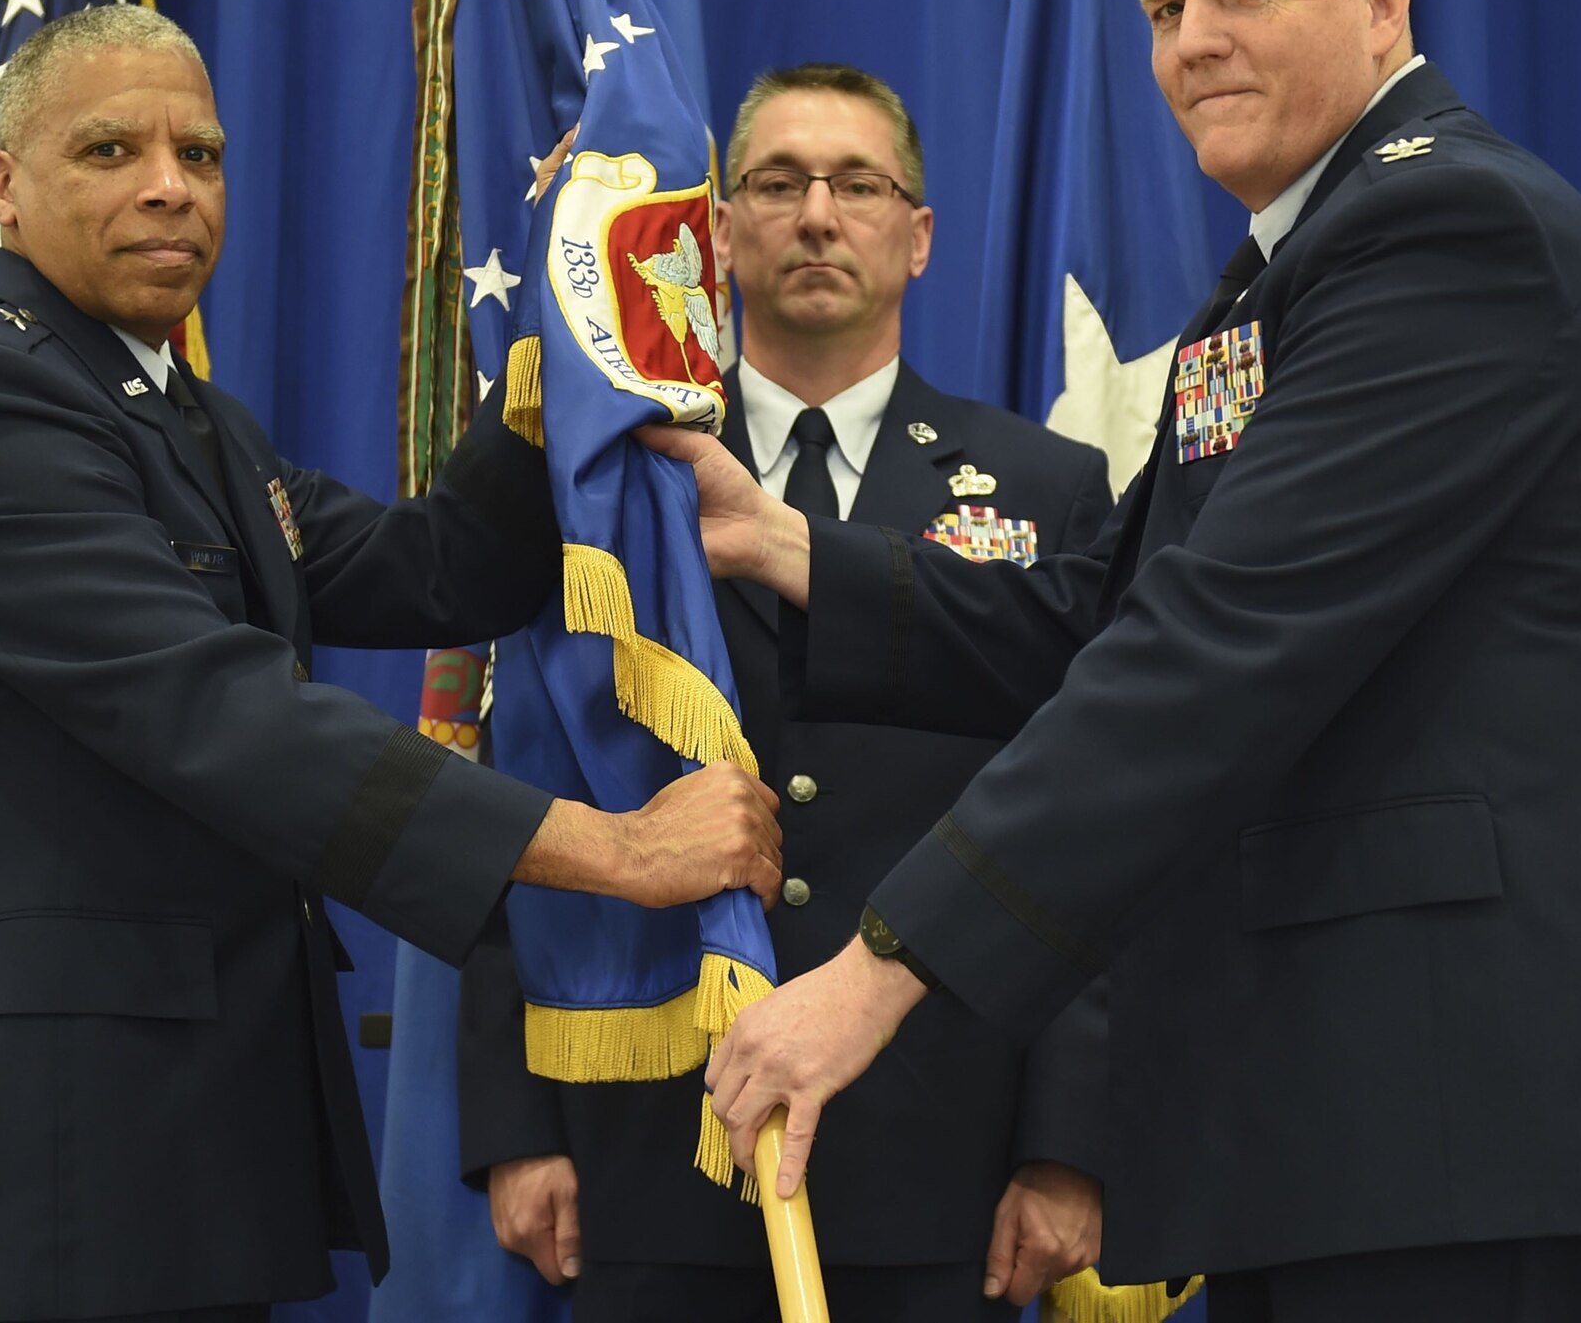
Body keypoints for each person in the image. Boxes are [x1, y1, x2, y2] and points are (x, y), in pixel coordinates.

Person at [665, 0, 1581, 1323]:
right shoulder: (1292, 262)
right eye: (1163, 8)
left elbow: (1205, 658)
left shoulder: (1450, 234)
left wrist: (878, 974)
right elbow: (1110, 612)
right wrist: (788, 548)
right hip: (1354, 1119)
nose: (1192, 41)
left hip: (1479, 1122)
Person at [0, 4, 782, 1323]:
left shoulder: (184, 413)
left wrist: (565, 315)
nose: (172, 185)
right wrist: (613, 849)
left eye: (202, 152)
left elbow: (440, 567)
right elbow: (226, 719)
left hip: (184, 1149)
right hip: (52, 1170)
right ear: (4, 185)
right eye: (111, 151)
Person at [456, 64, 1117, 1321]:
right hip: (651, 1150)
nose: (817, 215)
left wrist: (1067, 1139)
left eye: (858, 184)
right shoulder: (609, 484)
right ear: (714, 232)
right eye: (776, 182)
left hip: (947, 1156)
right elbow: (522, 775)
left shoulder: (1048, 490)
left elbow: (1097, 822)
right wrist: (513, 1120)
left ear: (916, 237)